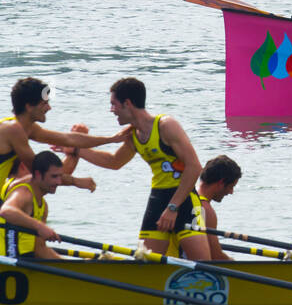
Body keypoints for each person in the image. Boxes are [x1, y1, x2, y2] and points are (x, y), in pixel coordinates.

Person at [76, 78, 208, 259]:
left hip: (185, 201)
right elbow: (114, 162)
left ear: (127, 103)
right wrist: (77, 150)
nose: (111, 110)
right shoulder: (133, 136)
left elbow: (194, 167)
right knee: (147, 263)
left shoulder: (166, 125)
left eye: (114, 104)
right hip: (158, 199)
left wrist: (173, 208)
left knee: (203, 266)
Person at [1, 78, 126, 190]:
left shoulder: (27, 128)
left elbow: (68, 139)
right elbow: (40, 174)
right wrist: (76, 181)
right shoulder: (13, 130)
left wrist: (111, 139)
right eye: (44, 103)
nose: (49, 108)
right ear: (28, 106)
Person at [0, 151, 63, 260]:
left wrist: (72, 265)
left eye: (60, 176)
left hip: (25, 259)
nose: (59, 182)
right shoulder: (23, 194)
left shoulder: (43, 206)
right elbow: (6, 211)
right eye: (54, 176)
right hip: (7, 261)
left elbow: (40, 249)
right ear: (38, 174)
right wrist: (39, 226)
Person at [196, 155, 241, 260]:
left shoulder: (187, 196)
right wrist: (234, 263)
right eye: (231, 187)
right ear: (221, 182)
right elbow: (215, 256)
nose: (231, 192)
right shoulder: (206, 210)